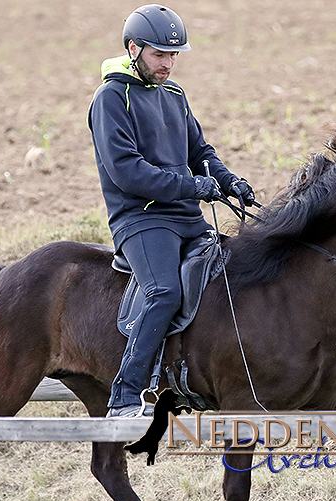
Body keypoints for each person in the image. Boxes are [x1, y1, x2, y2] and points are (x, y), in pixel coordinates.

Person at [88, 4, 255, 418]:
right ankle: (125, 396)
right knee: (164, 292)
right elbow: (127, 172)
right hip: (140, 218)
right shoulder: (111, 98)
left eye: (174, 55)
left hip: (185, 217)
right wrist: (191, 186)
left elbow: (200, 152)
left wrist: (228, 179)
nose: (168, 63)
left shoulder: (175, 95)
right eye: (159, 54)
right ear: (134, 49)